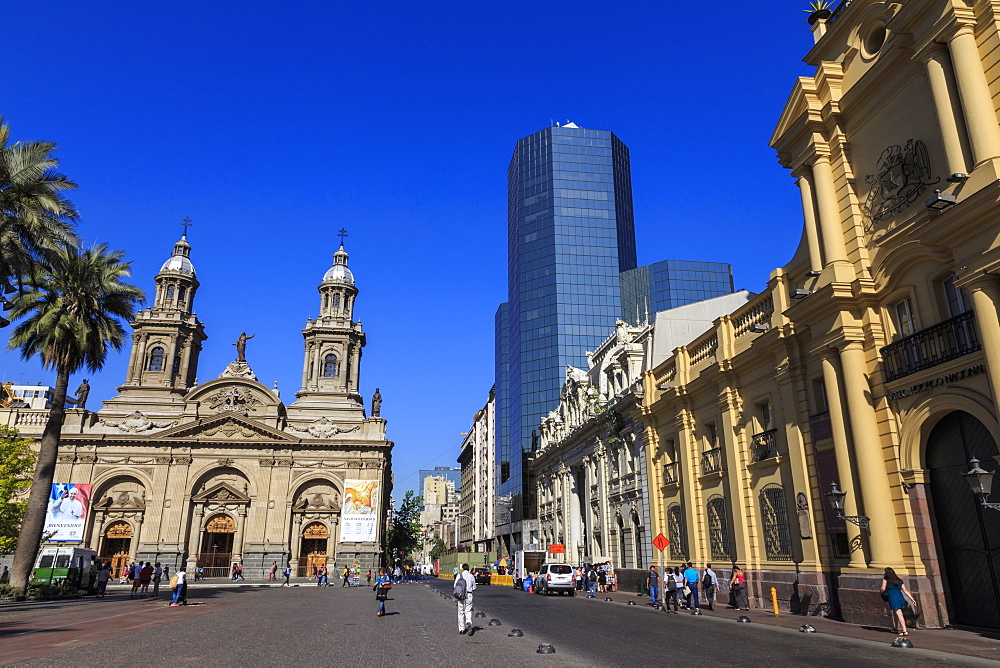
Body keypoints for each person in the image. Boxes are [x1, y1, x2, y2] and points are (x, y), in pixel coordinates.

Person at [881, 567, 918, 636]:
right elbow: (905, 590)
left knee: (899, 613)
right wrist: (912, 599)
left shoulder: (886, 579)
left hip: (892, 596)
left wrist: (883, 594)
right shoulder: (899, 580)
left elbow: (882, 588)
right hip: (899, 596)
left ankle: (904, 630)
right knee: (895, 612)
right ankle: (896, 628)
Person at [455, 563, 477, 636]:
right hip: (469, 595)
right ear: (468, 569)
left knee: (461, 612)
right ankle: (468, 621)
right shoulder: (471, 576)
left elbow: (455, 585)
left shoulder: (459, 575)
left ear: (462, 568)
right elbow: (474, 587)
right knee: (468, 610)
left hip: (461, 595)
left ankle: (461, 629)